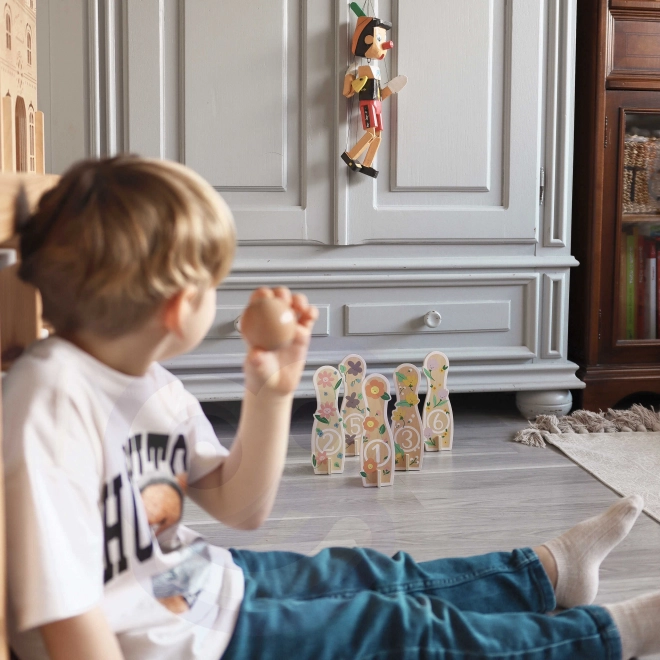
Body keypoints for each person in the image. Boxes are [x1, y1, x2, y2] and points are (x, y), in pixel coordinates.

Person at [2, 155, 659, 660]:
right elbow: (65, 604)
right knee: (397, 631)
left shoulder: (148, 382)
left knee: (370, 575)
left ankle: (546, 574)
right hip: (181, 640)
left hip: (203, 587)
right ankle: (606, 636)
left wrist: (270, 388)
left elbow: (239, 507)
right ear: (179, 306)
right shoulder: (51, 394)